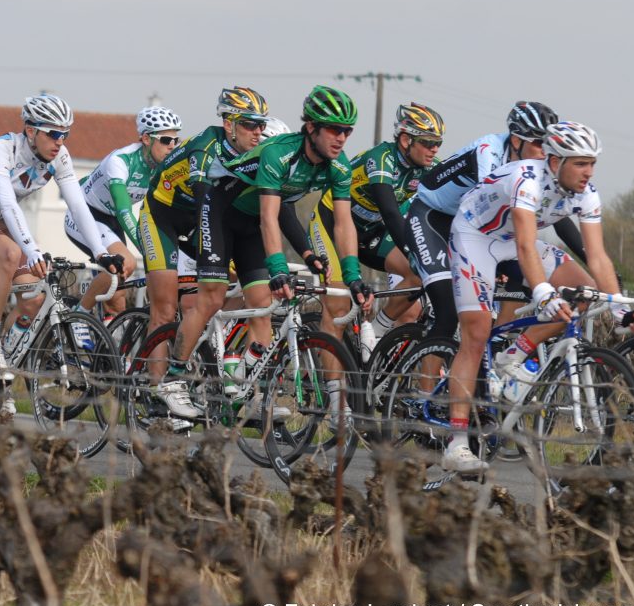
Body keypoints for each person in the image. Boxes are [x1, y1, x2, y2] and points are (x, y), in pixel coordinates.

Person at [443, 121, 634, 473]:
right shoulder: (526, 180)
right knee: (476, 333)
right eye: (579, 163)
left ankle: (513, 356)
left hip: (512, 240)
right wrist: (544, 292)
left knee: (585, 292)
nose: (587, 171)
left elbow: (597, 256)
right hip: (476, 236)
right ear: (554, 160)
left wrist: (619, 305)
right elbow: (525, 244)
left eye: (591, 163)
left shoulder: (587, 192)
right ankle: (456, 444)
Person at [182, 85, 373, 424]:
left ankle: (244, 390)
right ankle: (171, 379)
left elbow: (343, 224)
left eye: (347, 130)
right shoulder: (277, 153)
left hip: (251, 223)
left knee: (263, 305)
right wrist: (278, 268)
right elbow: (271, 215)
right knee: (210, 299)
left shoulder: (338, 165)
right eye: (334, 129)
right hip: (221, 210)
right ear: (311, 128)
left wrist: (353, 275)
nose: (342, 138)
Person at [0, 94, 123, 414]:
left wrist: (100, 250)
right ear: (30, 131)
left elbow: (78, 205)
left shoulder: (59, 157)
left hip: (0, 222)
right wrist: (32, 248)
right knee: (11, 255)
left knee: (34, 297)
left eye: (65, 134)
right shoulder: (1, 150)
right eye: (53, 133)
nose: (60, 141)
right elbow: (10, 204)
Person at [404, 102, 588, 391]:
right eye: (539, 143)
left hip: (478, 228)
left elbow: (554, 215)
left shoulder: (537, 169)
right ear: (516, 141)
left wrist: (588, 259)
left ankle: (494, 374)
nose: (547, 152)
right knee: (448, 309)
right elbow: (479, 218)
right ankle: (422, 395)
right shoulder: (489, 152)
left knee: (511, 289)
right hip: (433, 217)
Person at [136, 88, 271, 419]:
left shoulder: (256, 152)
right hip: (163, 218)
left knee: (242, 301)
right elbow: (203, 204)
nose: (258, 132)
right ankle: (161, 390)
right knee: (166, 307)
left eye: (261, 125)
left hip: (204, 219)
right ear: (229, 125)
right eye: (250, 124)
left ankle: (234, 386)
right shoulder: (204, 148)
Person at [309, 103, 444, 359]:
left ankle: (379, 331)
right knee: (339, 305)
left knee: (418, 273)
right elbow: (391, 212)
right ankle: (336, 394)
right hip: (333, 224)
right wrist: (414, 249)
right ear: (405, 139)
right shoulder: (381, 158)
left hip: (370, 231)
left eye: (437, 142)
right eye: (428, 142)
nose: (434, 148)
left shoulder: (428, 166)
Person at [65, 106, 182, 315]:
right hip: (86, 214)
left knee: (116, 300)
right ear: (146, 139)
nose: (172, 146)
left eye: (176, 140)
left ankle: (109, 342)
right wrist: (149, 250)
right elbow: (124, 210)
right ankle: (78, 316)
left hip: (111, 221)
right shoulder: (120, 161)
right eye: (166, 140)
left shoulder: (163, 167)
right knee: (124, 263)